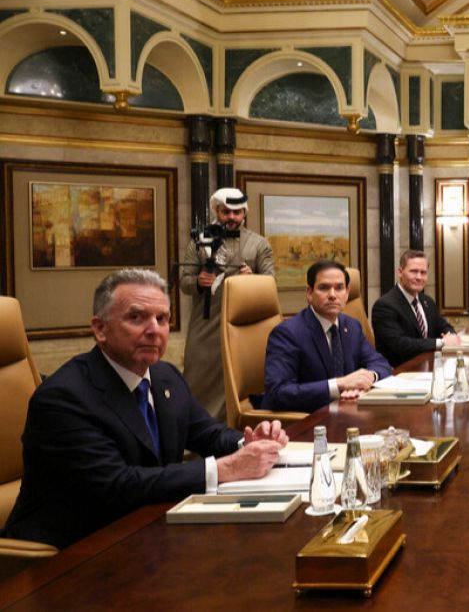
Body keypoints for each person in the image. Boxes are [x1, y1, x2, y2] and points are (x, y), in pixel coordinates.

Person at [4, 269, 286, 549]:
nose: (154, 330)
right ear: (100, 329)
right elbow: (119, 485)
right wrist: (226, 468)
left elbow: (207, 433)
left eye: (162, 319)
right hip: (71, 552)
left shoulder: (165, 376)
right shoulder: (64, 398)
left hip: (145, 532)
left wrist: (248, 442)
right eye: (136, 317)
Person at [180, 188, 274, 421]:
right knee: (198, 377)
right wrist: (198, 281)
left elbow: (270, 284)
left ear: (244, 214)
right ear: (216, 211)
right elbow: (183, 282)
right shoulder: (199, 242)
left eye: (237, 212)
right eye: (226, 212)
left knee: (241, 380)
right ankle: (198, 431)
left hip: (245, 327)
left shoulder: (259, 244)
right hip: (206, 325)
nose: (231, 217)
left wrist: (253, 278)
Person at [261, 260, 391, 412]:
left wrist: (367, 378)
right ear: (309, 293)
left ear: (347, 293)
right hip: (308, 417)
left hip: (347, 411)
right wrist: (339, 385)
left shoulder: (352, 326)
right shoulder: (288, 333)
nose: (332, 295)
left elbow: (380, 363)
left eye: (339, 288)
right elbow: (278, 392)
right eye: (324, 288)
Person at [371, 250, 460, 366]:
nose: (419, 277)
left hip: (429, 367)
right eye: (414, 271)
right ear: (400, 272)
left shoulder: (427, 302)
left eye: (423, 272)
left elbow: (444, 326)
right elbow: (400, 345)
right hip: (400, 371)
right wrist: (441, 342)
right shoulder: (384, 306)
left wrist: (451, 336)